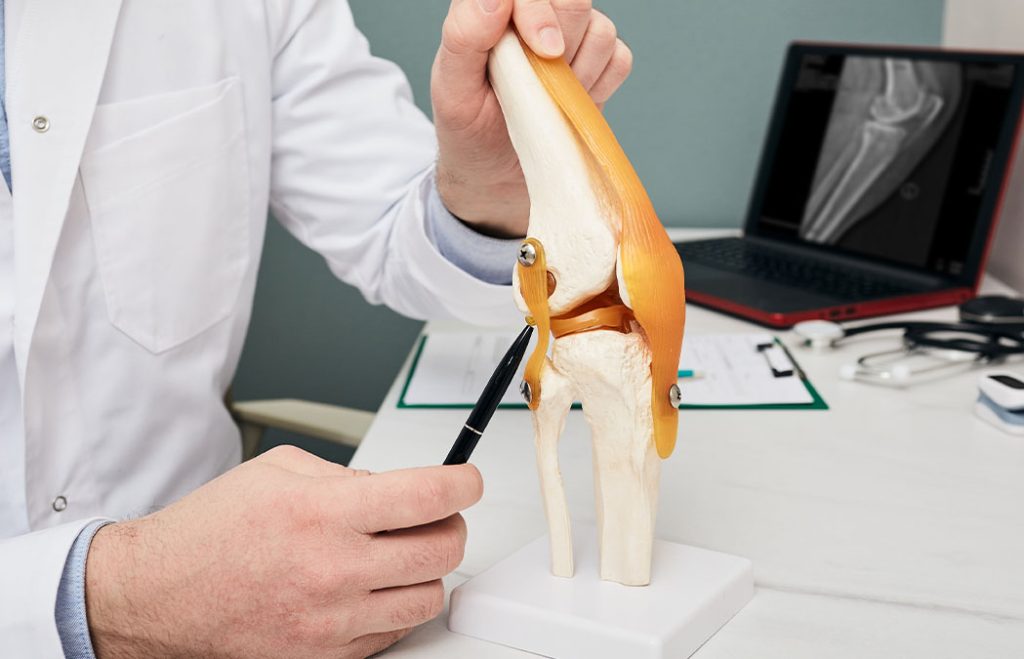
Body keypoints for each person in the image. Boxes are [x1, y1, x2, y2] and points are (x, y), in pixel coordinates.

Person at [0, 0, 633, 656]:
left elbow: (392, 229)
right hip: (233, 596)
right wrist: (111, 598)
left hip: (250, 600)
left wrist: (488, 185)